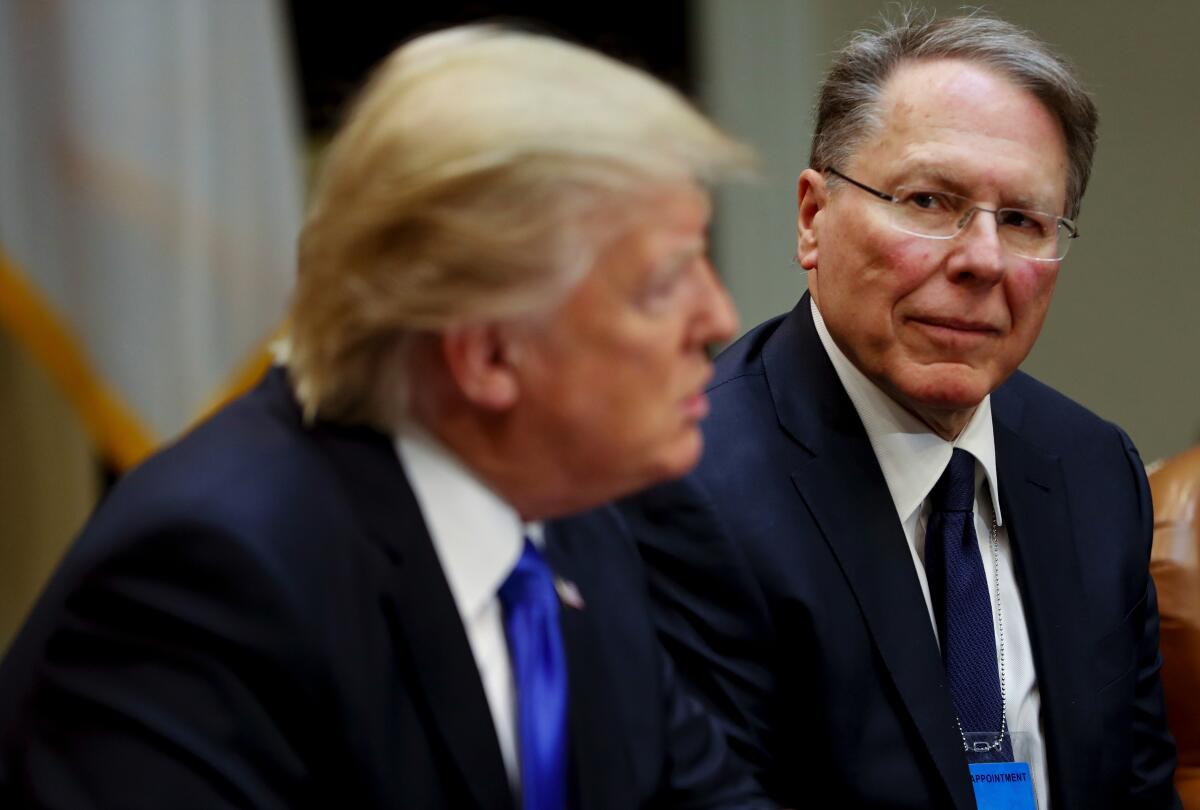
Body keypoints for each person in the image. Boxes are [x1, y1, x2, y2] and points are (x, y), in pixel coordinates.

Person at [0, 25, 771, 809]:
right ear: (488, 357)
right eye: (663, 285)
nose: (718, 317)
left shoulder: (575, 520)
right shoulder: (211, 578)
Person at [620, 10, 1182, 810]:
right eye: (928, 201)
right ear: (813, 218)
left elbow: (1138, 788)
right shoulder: (686, 483)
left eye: (1023, 220)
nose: (983, 258)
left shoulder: (1092, 466)